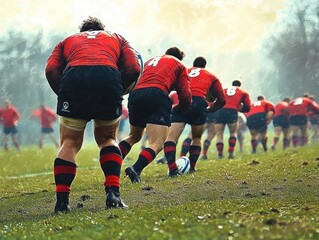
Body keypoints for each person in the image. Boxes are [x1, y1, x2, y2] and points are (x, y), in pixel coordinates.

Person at [45, 16, 141, 212]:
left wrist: (63, 93)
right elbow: (134, 68)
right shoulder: (117, 38)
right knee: (107, 138)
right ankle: (113, 193)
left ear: (81, 31)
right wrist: (117, 89)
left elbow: (51, 69)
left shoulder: (67, 40)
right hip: (108, 80)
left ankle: (62, 202)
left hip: (73, 81)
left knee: (69, 143)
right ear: (102, 29)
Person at [119, 47, 192, 183]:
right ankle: (136, 169)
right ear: (179, 57)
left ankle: (113, 168)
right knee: (157, 143)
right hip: (157, 93)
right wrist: (178, 110)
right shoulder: (179, 65)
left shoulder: (149, 61)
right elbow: (186, 96)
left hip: (135, 94)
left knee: (134, 136)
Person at [163, 56, 225, 174]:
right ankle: (191, 168)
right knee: (196, 137)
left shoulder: (184, 70)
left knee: (171, 137)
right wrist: (209, 109)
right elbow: (222, 100)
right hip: (198, 102)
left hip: (183, 100)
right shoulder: (211, 76)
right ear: (204, 66)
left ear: (193, 64)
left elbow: (172, 86)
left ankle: (172, 169)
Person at [214, 80, 251, 159]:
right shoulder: (243, 92)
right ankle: (231, 152)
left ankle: (220, 154)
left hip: (220, 111)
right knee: (233, 133)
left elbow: (216, 99)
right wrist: (238, 108)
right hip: (232, 111)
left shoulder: (224, 90)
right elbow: (247, 107)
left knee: (219, 134)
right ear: (240, 85)